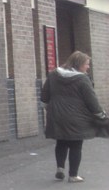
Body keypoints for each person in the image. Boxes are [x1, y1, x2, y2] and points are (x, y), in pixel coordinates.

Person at [40, 51, 105, 182]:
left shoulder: (53, 75)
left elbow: (45, 95)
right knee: (76, 145)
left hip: (56, 115)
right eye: (87, 64)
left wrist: (48, 107)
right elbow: (91, 100)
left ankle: (60, 168)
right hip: (77, 117)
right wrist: (101, 114)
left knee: (61, 141)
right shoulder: (82, 79)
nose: (88, 67)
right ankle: (73, 175)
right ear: (79, 64)